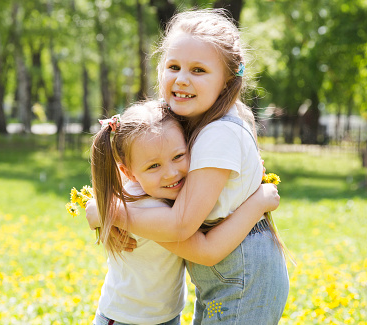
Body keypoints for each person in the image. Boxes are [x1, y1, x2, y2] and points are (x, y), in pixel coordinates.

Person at [87, 9, 289, 324]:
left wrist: (109, 212)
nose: (182, 79)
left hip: (242, 274)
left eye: (198, 70)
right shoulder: (189, 127)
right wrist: (103, 211)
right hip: (228, 275)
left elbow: (181, 227)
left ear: (227, 80)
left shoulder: (218, 133)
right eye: (174, 66)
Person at [89, 100, 280, 325]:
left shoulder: (157, 192)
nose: (171, 173)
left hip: (162, 317)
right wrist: (259, 201)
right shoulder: (150, 209)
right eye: (153, 166)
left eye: (178, 156)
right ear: (129, 173)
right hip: (126, 320)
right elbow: (208, 250)